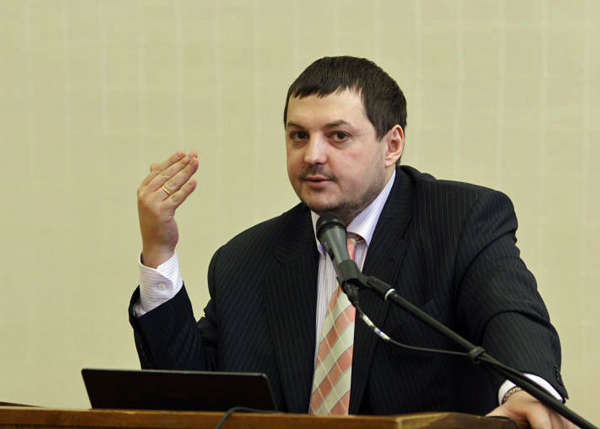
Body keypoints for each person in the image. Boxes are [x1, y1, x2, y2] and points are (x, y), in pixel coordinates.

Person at [130, 56, 572, 428]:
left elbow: (509, 311)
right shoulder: (245, 260)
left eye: (338, 136)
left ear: (391, 144)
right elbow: (190, 398)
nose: (312, 155)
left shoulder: (459, 221)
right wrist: (159, 252)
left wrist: (528, 387)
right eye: (298, 136)